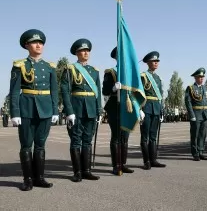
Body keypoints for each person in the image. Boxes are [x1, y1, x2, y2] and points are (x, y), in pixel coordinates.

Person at [10, 29, 59, 191]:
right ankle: (28, 179)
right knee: (26, 145)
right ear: (27, 45)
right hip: (26, 109)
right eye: (35, 42)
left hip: (45, 109)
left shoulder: (50, 66)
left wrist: (55, 111)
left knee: (40, 145)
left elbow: (54, 91)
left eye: (41, 43)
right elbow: (15, 91)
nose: (39, 45)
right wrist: (15, 112)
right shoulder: (20, 65)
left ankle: (40, 178)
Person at [61, 38, 102, 182]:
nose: (86, 53)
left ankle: (87, 171)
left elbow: (98, 92)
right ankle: (77, 172)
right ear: (77, 53)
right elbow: (65, 91)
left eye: (87, 51)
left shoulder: (95, 71)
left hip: (91, 109)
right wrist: (69, 111)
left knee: (87, 140)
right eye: (82, 51)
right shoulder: (70, 68)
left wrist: (99, 110)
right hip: (76, 108)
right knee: (76, 140)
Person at [102, 47, 134, 175]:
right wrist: (113, 88)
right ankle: (116, 165)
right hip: (114, 106)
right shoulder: (110, 72)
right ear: (116, 57)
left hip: (127, 107)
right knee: (116, 136)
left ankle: (123, 163)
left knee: (125, 137)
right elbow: (105, 91)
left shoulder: (129, 72)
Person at [140, 51, 166, 169]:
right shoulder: (143, 76)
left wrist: (161, 110)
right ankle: (146, 161)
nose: (156, 63)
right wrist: (140, 109)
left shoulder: (158, 78)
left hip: (156, 108)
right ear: (148, 62)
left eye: (157, 61)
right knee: (145, 136)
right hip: (146, 108)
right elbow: (138, 94)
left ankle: (153, 159)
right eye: (154, 61)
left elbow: (160, 95)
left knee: (153, 136)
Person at [184, 67, 207, 161]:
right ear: (195, 78)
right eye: (199, 77)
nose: (201, 78)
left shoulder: (205, 88)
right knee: (195, 135)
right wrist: (192, 115)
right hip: (196, 114)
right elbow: (188, 102)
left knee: (202, 135)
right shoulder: (191, 88)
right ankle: (195, 153)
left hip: (204, 114)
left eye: (202, 77)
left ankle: (201, 151)